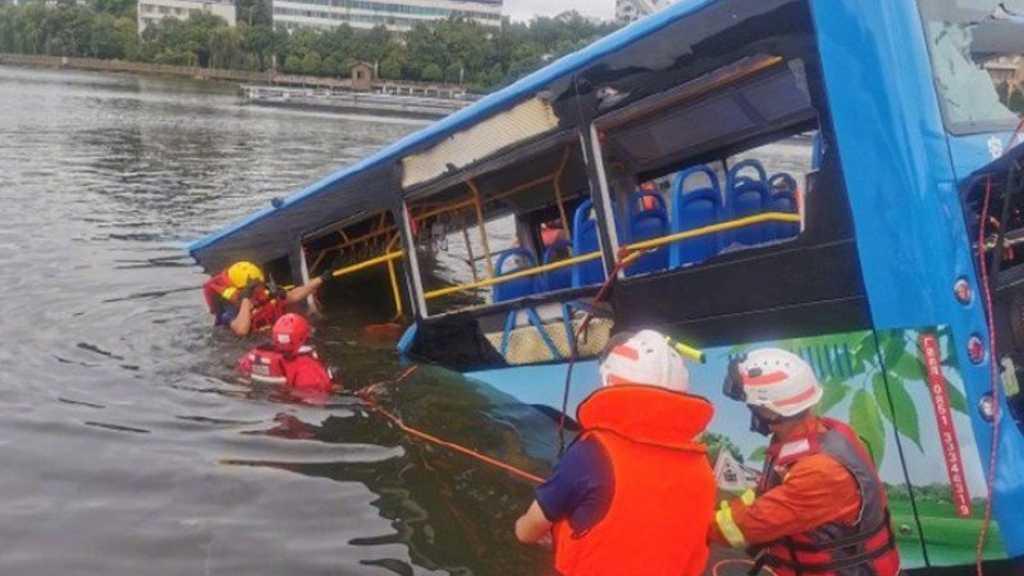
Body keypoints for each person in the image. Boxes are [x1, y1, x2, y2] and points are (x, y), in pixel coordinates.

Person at [514, 329, 716, 576]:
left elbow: (528, 531)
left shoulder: (592, 454)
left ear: (610, 381)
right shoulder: (702, 467)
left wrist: (522, 527)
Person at [711, 348, 900, 576]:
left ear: (769, 411)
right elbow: (766, 495)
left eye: (751, 405)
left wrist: (692, 523)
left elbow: (746, 526)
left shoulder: (820, 472)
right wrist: (717, 504)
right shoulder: (816, 436)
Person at [202, 261, 329, 337]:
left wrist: (321, 279)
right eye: (254, 288)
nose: (260, 289)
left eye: (260, 285)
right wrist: (246, 299)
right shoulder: (229, 309)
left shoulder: (263, 294)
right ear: (241, 289)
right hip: (244, 346)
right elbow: (241, 330)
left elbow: (294, 295)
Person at [237, 313, 335, 394]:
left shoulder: (253, 356)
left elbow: (240, 372)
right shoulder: (306, 366)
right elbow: (315, 396)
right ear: (303, 337)